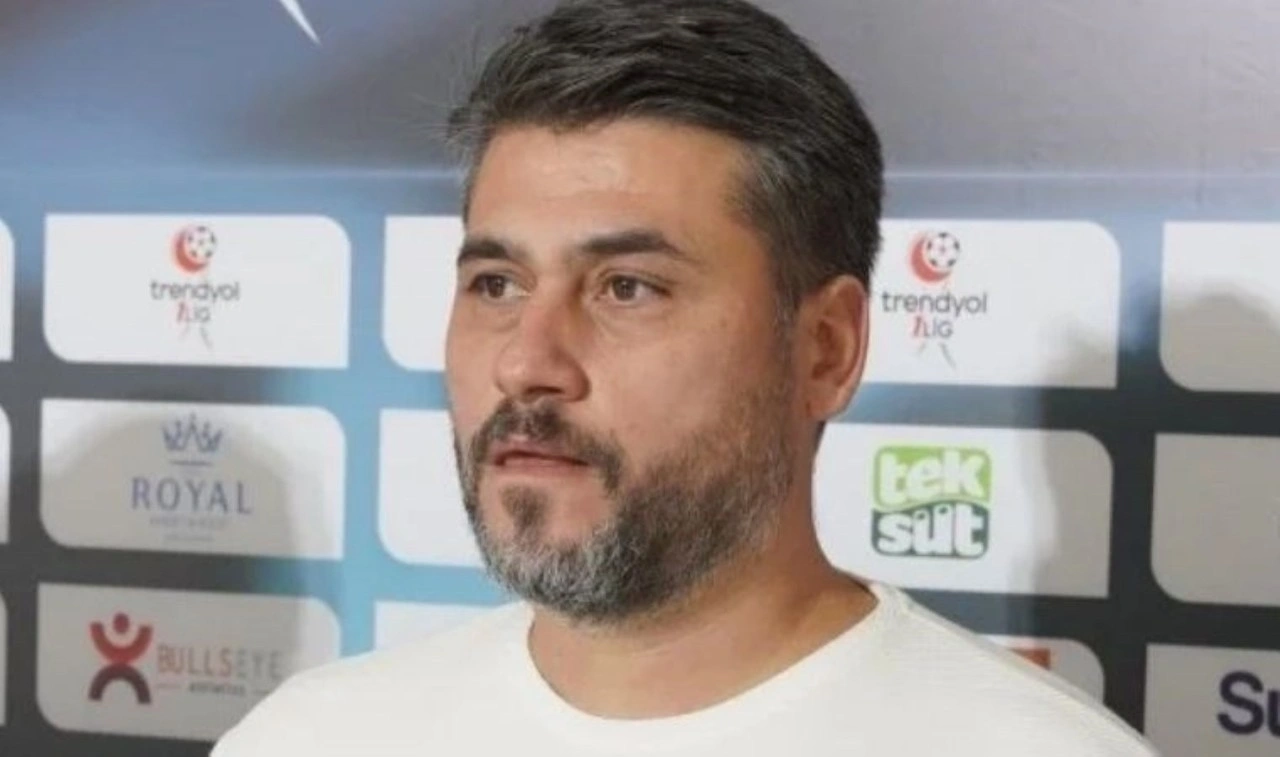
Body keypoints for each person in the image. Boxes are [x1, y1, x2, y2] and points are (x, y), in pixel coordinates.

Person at [213, 0, 1158, 754]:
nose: (526, 362)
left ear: (825, 349)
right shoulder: (310, 736)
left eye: (627, 287)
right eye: (497, 283)